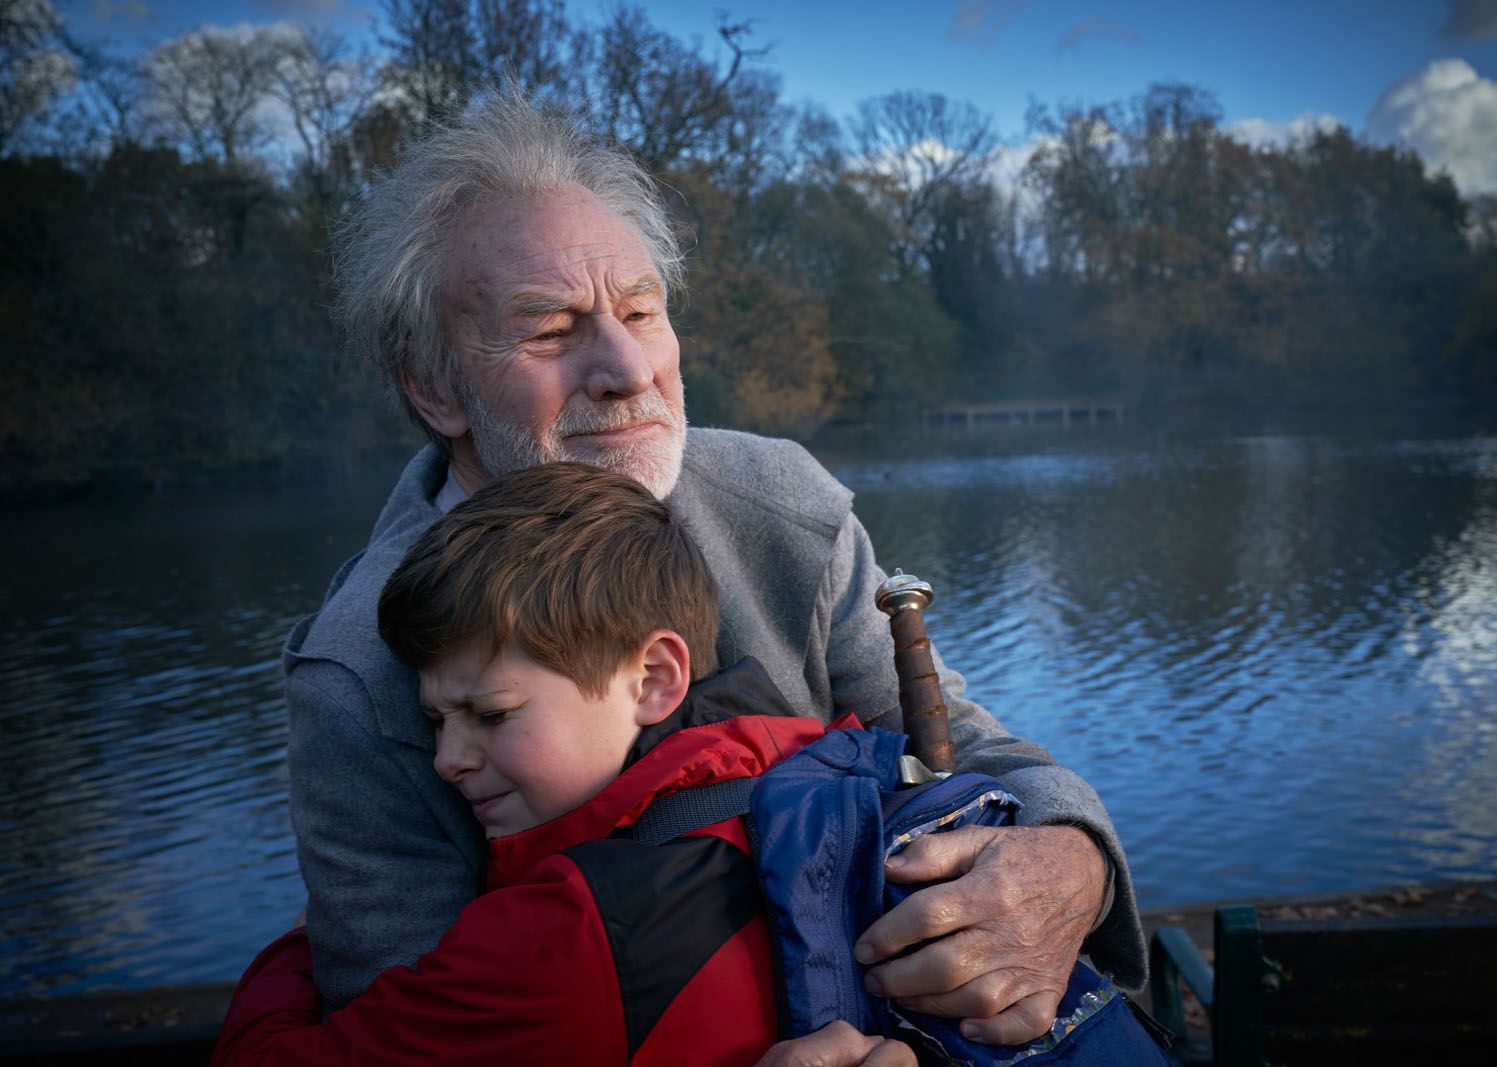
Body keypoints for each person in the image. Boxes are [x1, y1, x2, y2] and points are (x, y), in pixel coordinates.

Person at [286, 84, 1146, 1041]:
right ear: (434, 387)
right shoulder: (357, 674)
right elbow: (411, 1039)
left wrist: (1073, 860)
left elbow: (970, 753)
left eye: (643, 311)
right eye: (549, 330)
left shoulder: (784, 508)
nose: (628, 368)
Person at [214, 463, 917, 1065]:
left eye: (491, 714)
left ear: (651, 678)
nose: (448, 760)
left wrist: (300, 944)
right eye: (434, 722)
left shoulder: (563, 937)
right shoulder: (822, 767)